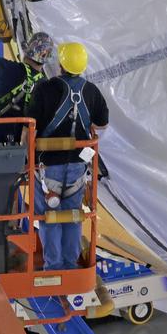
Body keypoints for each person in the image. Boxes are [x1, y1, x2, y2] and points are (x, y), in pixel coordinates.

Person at [27, 42, 109, 269]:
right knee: (73, 215)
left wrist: (26, 157)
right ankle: (70, 264)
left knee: (48, 216)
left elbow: (29, 127)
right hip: (77, 166)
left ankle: (53, 266)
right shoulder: (91, 91)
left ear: (61, 64)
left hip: (47, 167)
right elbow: (102, 124)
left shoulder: (44, 89)